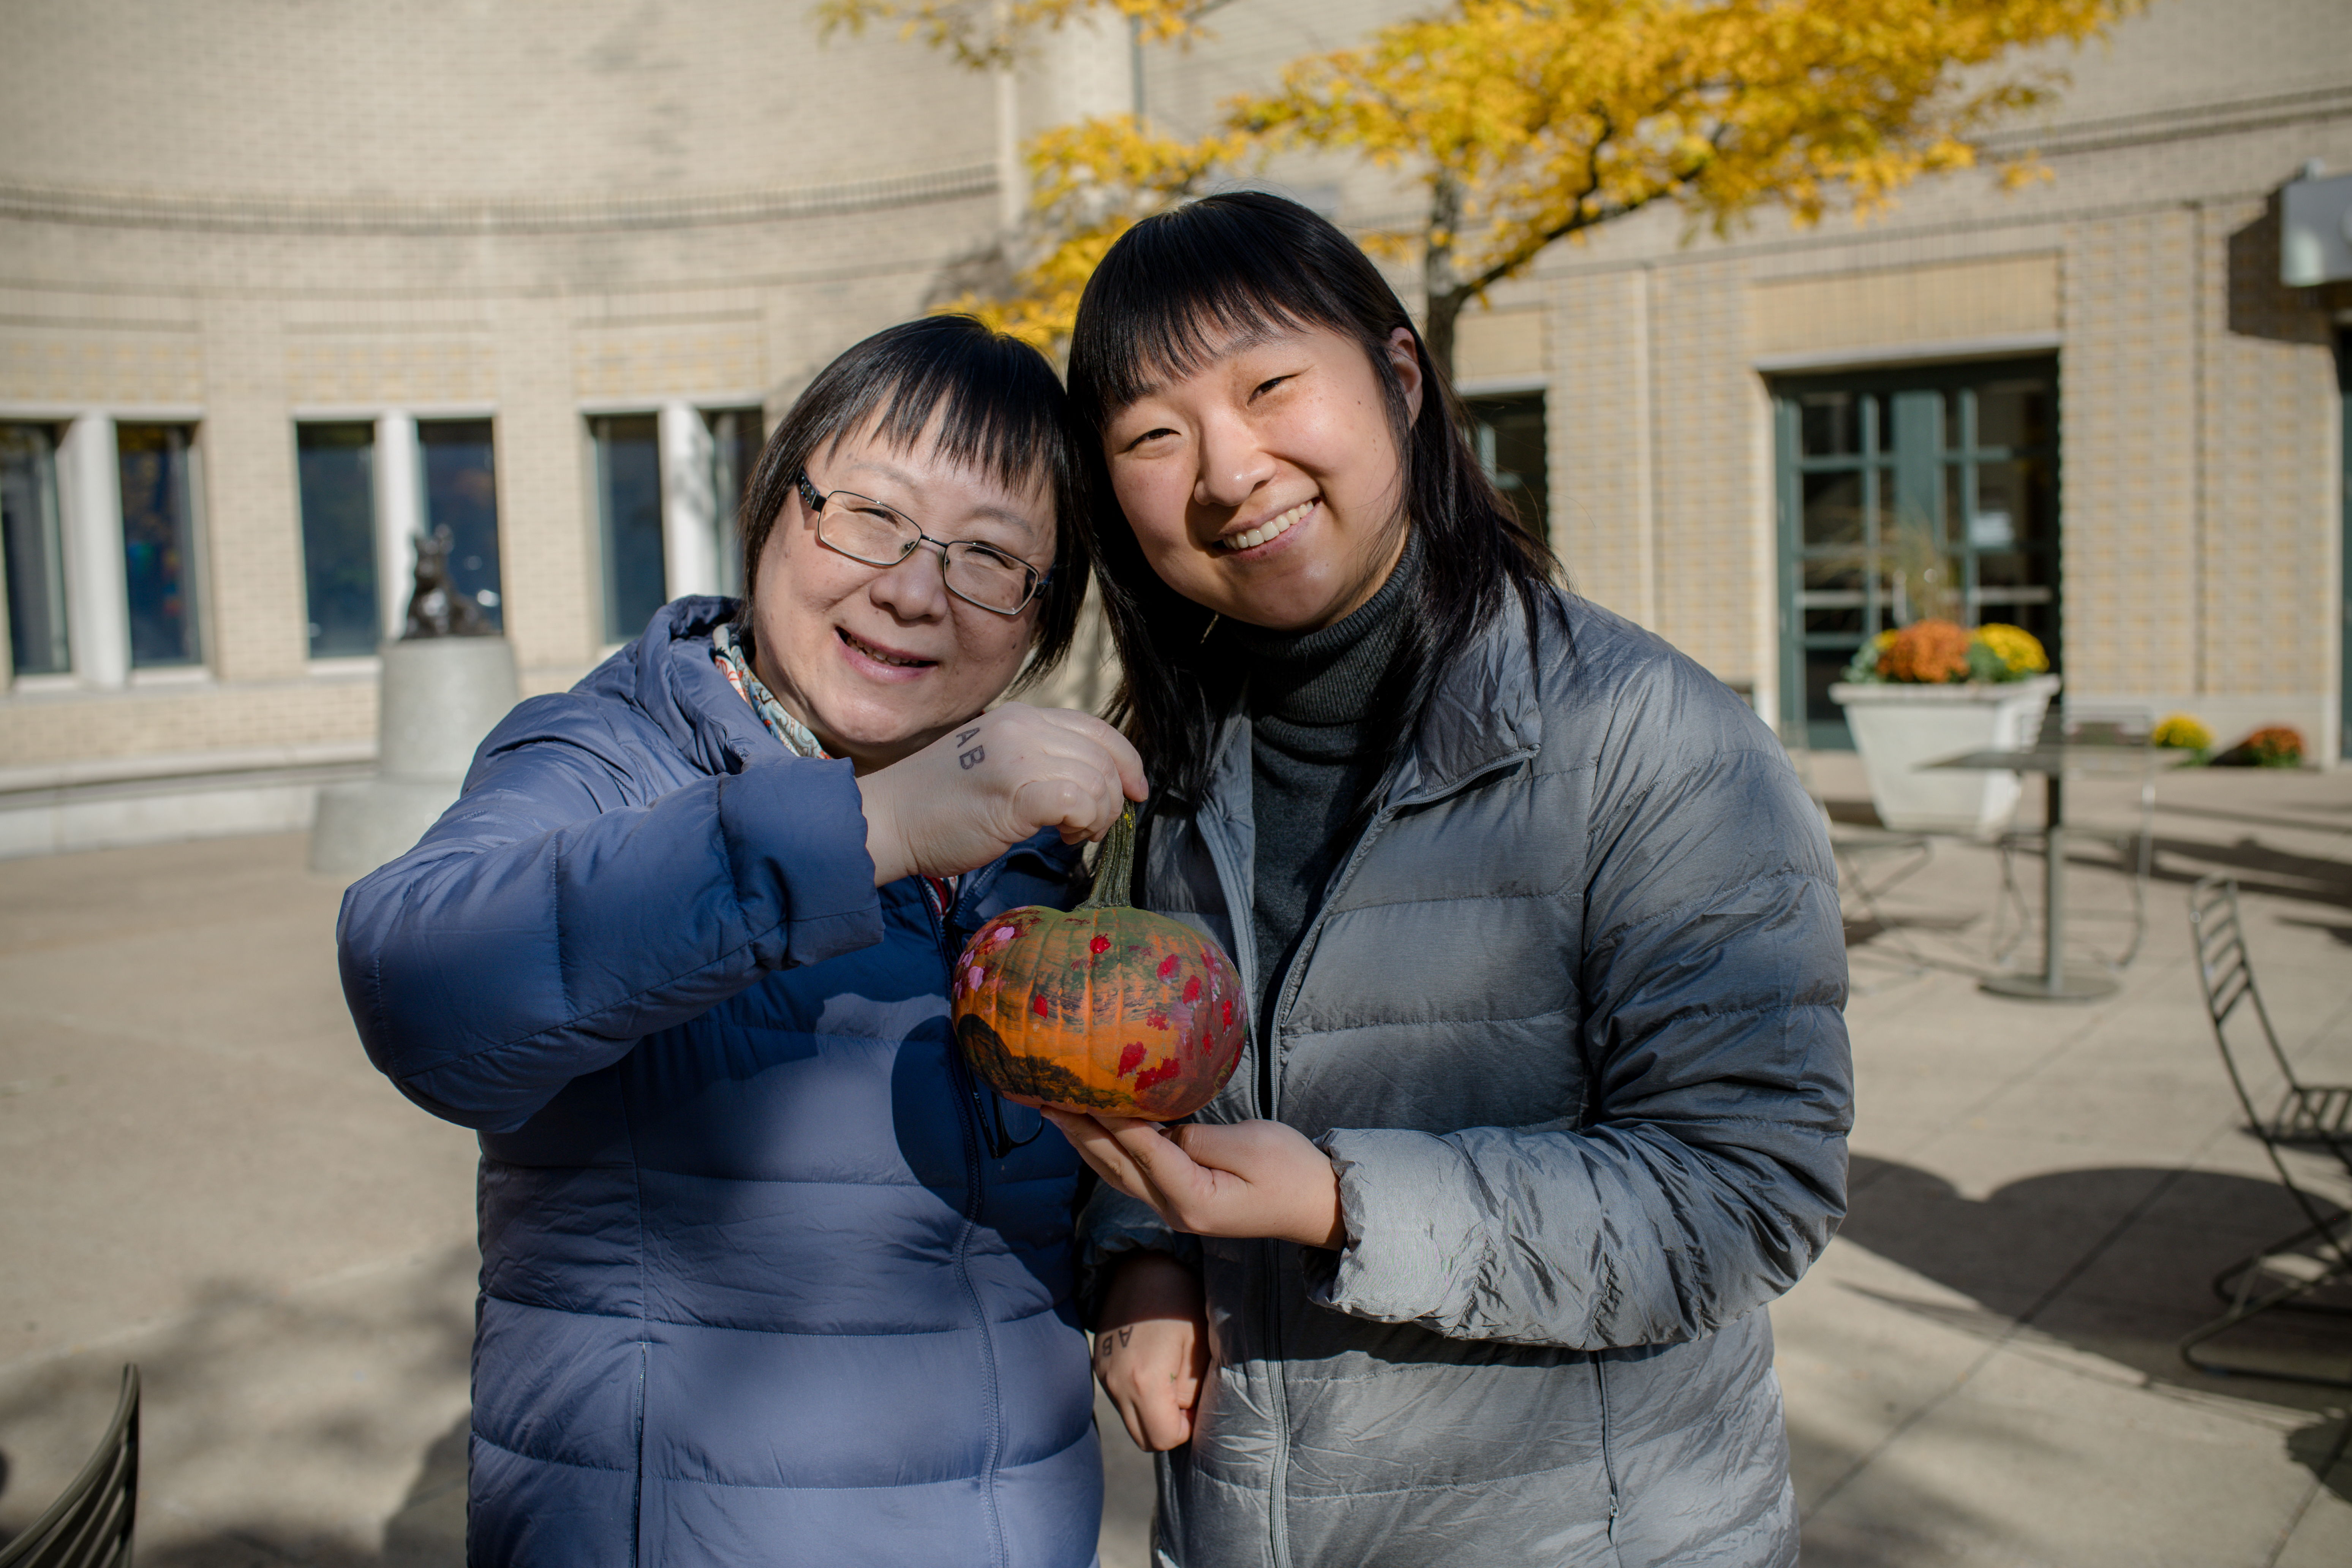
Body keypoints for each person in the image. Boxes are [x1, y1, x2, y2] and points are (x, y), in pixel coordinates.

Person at [1045, 193, 1855, 1567]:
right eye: (1152, 433)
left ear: (1401, 377)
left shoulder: (1650, 742)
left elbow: (1745, 1192)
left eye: (1271, 385)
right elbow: (1145, 1096)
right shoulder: (1161, 773)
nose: (1229, 469)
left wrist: (1341, 1199)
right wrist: (1140, 1256)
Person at [337, 315, 1145, 1568]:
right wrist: (865, 827)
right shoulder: (611, 759)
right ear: (775, 507)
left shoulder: (1026, 850)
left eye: (991, 559)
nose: (914, 590)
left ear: (1042, 618)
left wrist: (1145, 1268)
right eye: (869, 516)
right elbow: (418, 988)